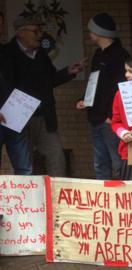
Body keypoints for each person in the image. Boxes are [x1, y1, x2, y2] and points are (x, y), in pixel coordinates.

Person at [1, 17, 85, 177]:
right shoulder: (7, 53)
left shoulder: (41, 55)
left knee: (56, 157)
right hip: (19, 119)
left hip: (44, 116)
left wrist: (68, 72)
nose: (39, 35)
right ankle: (22, 199)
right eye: (35, 31)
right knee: (22, 163)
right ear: (21, 33)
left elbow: (51, 79)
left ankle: (57, 196)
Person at [76, 13, 129, 179]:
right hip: (95, 118)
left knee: (119, 163)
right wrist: (84, 99)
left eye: (92, 30)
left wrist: (111, 116)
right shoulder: (98, 55)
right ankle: (105, 200)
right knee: (100, 164)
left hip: (110, 120)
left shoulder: (120, 55)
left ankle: (125, 200)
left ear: (100, 32)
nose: (89, 33)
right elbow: (95, 83)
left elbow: (120, 88)